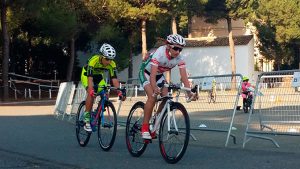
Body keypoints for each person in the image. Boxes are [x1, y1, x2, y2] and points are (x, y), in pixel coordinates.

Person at [138, 34, 195, 139]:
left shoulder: (179, 58)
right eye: (176, 48)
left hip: (159, 76)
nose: (178, 51)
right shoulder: (160, 52)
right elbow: (152, 75)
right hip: (147, 73)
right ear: (168, 46)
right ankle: (145, 127)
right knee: (152, 96)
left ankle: (156, 119)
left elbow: (184, 76)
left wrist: (189, 92)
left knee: (167, 97)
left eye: (180, 49)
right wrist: (154, 87)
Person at [81, 43, 126, 132]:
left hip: (98, 76)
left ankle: (97, 112)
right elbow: (90, 79)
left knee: (106, 91)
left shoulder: (112, 64)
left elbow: (114, 79)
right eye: (107, 59)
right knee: (92, 92)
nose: (109, 62)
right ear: (101, 56)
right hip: (87, 75)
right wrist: (90, 90)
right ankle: (86, 119)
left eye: (111, 59)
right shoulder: (94, 60)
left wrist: (119, 91)